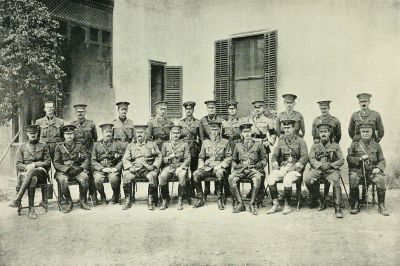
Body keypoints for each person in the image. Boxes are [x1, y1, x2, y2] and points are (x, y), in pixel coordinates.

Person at [348, 93, 385, 204]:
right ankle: (357, 202)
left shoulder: (375, 115)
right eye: (361, 101)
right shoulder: (355, 115)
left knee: (371, 168)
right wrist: (357, 141)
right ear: (359, 103)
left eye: (365, 101)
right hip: (359, 146)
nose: (363, 103)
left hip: (371, 145)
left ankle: (375, 201)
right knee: (357, 173)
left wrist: (374, 142)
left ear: (369, 102)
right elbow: (350, 131)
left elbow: (381, 131)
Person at [266, 119, 308, 215]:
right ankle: (276, 204)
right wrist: (276, 164)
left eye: (289, 128)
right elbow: (274, 156)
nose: (287, 130)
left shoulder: (300, 141)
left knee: (287, 179)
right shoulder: (281, 141)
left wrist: (293, 168)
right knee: (271, 177)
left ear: (294, 128)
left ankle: (287, 205)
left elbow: (305, 157)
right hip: (283, 168)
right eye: (285, 128)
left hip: (295, 169)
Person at [347, 122, 389, 216]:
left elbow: (382, 160)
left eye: (367, 131)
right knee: (353, 178)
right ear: (360, 132)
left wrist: (378, 168)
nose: (365, 133)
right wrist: (359, 159)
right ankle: (356, 204)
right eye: (363, 131)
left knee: (381, 179)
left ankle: (381, 205)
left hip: (372, 171)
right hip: (358, 171)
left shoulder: (376, 145)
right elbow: (349, 158)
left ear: (372, 132)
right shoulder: (354, 144)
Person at [9, 125, 51, 219]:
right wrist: (27, 167)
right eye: (31, 133)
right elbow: (18, 165)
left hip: (41, 172)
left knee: (33, 174)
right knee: (33, 179)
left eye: (35, 133)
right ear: (27, 134)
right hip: (26, 174)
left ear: (37, 134)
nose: (33, 135)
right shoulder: (22, 147)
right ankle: (31, 210)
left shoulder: (43, 146)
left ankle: (17, 198)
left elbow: (48, 162)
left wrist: (35, 165)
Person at [304, 123, 344, 218]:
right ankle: (319, 199)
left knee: (335, 181)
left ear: (329, 133)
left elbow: (341, 160)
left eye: (325, 132)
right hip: (318, 169)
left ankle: (337, 207)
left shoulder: (335, 146)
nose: (323, 134)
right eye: (321, 132)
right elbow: (311, 158)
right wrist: (320, 165)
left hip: (331, 170)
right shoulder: (315, 146)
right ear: (319, 134)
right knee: (307, 179)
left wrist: (331, 164)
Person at [228, 123, 268, 215]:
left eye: (248, 131)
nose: (247, 134)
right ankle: (240, 203)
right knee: (231, 178)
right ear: (241, 133)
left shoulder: (258, 144)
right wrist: (235, 166)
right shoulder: (238, 145)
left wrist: (259, 165)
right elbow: (233, 160)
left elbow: (264, 159)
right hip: (241, 169)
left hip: (253, 169)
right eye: (244, 132)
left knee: (257, 178)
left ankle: (252, 204)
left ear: (251, 132)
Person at [192, 121, 231, 210]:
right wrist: (201, 164)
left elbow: (229, 157)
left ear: (219, 131)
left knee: (220, 173)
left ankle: (220, 198)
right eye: (212, 130)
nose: (213, 132)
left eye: (216, 130)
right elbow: (201, 156)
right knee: (195, 174)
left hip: (218, 167)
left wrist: (221, 165)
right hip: (207, 167)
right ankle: (200, 198)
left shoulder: (225, 142)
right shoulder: (205, 142)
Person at [122, 125, 162, 210]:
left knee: (153, 176)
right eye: (138, 132)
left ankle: (151, 199)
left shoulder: (152, 144)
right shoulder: (131, 145)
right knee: (126, 175)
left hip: (148, 169)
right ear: (135, 134)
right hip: (135, 169)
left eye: (142, 132)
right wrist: (129, 167)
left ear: (146, 133)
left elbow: (159, 156)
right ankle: (127, 199)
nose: (139, 134)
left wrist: (154, 166)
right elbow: (125, 158)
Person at [54, 125, 91, 213]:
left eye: (71, 134)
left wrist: (81, 168)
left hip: (77, 170)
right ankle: (69, 202)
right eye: (67, 134)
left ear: (73, 135)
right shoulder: (59, 147)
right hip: (63, 172)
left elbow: (86, 159)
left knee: (84, 177)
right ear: (64, 135)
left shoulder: (79, 145)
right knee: (62, 180)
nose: (69, 136)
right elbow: (56, 162)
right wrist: (66, 169)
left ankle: (83, 201)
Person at [246, 100, 277, 203]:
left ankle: (261, 190)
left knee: (261, 167)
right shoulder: (250, 120)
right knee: (252, 166)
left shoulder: (268, 120)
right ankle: (253, 189)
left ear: (263, 108)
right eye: (256, 107)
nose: (257, 109)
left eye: (259, 107)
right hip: (253, 145)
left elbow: (273, 134)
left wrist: (270, 142)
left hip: (263, 145)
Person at [91, 123, 127, 205]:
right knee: (97, 179)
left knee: (113, 179)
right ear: (102, 133)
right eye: (106, 132)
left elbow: (122, 159)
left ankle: (115, 195)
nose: (108, 134)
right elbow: (93, 161)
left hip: (112, 168)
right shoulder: (96, 145)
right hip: (101, 169)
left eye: (110, 132)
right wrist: (102, 168)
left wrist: (116, 168)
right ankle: (102, 196)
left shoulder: (117, 144)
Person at [70, 104, 98, 205]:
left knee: (91, 174)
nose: (80, 113)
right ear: (75, 113)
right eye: (78, 112)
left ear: (85, 112)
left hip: (89, 153)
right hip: (77, 154)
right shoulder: (72, 125)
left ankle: (93, 195)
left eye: (82, 111)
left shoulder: (91, 124)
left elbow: (95, 138)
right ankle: (82, 196)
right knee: (81, 173)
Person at [159, 125, 191, 210]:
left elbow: (188, 158)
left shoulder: (185, 144)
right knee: (162, 176)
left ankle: (180, 200)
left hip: (180, 166)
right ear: (171, 134)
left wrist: (181, 167)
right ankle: (165, 199)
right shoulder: (166, 145)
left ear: (180, 134)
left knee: (182, 176)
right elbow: (162, 158)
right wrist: (169, 157)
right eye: (174, 133)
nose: (175, 135)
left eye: (177, 133)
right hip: (169, 166)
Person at [178, 101, 203, 200]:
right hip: (183, 150)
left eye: (190, 109)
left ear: (193, 110)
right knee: (183, 170)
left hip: (193, 149)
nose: (189, 111)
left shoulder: (197, 122)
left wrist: (200, 150)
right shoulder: (181, 122)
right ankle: (184, 191)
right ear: (185, 110)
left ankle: (192, 192)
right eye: (187, 109)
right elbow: (178, 137)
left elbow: (201, 138)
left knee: (193, 171)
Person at [200, 100, 224, 196]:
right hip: (207, 146)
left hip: (218, 145)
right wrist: (205, 145)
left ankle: (218, 189)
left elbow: (221, 135)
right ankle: (206, 188)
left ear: (215, 109)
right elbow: (201, 136)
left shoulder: (220, 120)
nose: (211, 109)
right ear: (207, 109)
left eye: (213, 108)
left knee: (217, 166)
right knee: (207, 163)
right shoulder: (203, 120)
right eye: (209, 108)